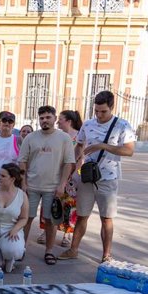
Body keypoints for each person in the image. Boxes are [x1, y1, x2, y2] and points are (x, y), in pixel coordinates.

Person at [59, 91, 136, 263]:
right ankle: (74, 249)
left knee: (106, 218)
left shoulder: (122, 125)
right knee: (81, 215)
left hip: (108, 177)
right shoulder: (88, 124)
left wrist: (103, 146)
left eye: (103, 111)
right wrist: (77, 160)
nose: (99, 115)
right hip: (87, 176)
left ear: (111, 108)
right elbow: (79, 145)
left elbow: (129, 150)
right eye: (97, 111)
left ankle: (106, 255)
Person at [18, 105, 76, 265]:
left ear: (54, 118)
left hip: (53, 188)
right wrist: (23, 183)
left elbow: (68, 163)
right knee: (26, 218)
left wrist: (62, 184)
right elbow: (22, 161)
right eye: (41, 118)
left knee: (50, 220)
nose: (44, 121)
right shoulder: (31, 138)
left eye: (48, 117)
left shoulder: (64, 138)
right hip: (32, 186)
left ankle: (49, 251)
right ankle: (20, 248)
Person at [38, 110, 83, 247]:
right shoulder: (57, 135)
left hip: (72, 176)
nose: (58, 122)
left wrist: (72, 176)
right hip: (54, 174)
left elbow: (80, 158)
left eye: (61, 120)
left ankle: (67, 234)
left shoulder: (79, 137)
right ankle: (46, 230)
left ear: (69, 121)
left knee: (69, 204)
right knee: (50, 202)